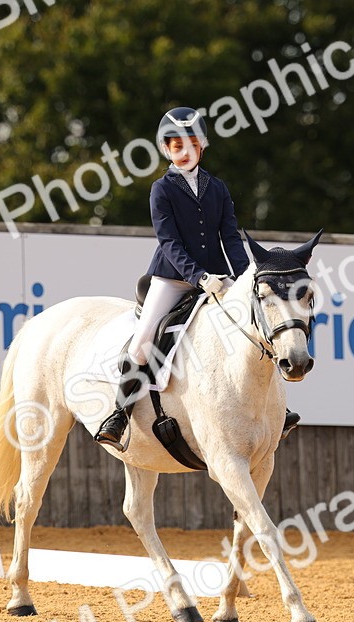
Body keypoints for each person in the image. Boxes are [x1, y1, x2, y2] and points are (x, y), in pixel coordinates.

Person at [94, 107, 301, 451]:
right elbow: (169, 242)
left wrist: (244, 278)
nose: (185, 151)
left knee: (255, 325)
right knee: (143, 340)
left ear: (202, 146)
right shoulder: (161, 189)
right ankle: (120, 413)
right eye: (177, 145)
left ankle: (279, 409)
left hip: (218, 277)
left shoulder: (217, 188)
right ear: (166, 149)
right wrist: (198, 276)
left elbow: (230, 237)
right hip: (173, 278)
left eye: (191, 144)